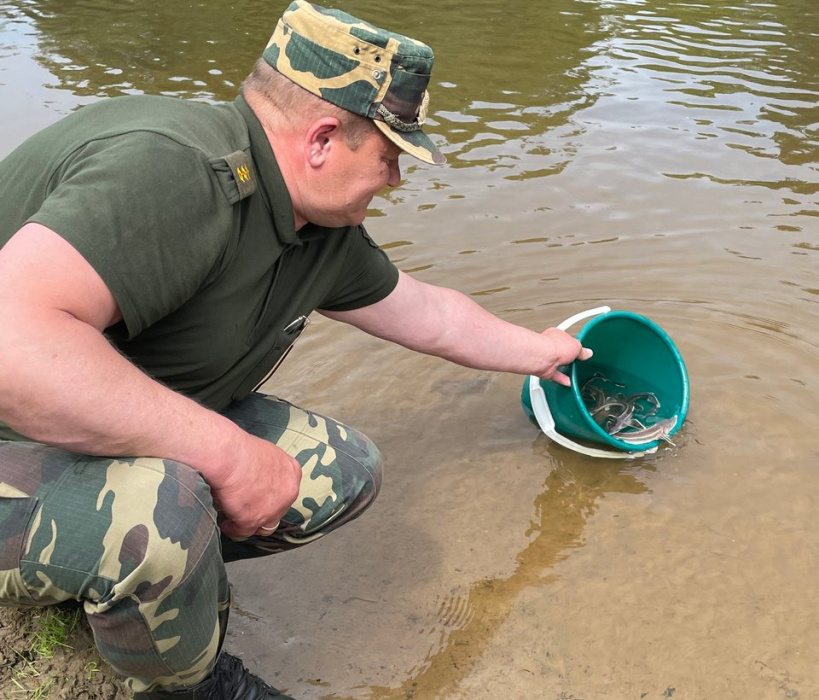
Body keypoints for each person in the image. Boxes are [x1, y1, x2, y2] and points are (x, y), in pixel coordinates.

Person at [0, 2, 591, 698]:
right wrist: (226, 453)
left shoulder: (310, 220)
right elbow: (13, 342)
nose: (396, 180)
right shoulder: (174, 172)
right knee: (168, 508)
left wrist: (543, 351)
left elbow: (426, 312)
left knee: (339, 470)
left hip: (73, 432)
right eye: (388, 156)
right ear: (320, 140)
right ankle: (182, 684)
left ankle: (134, 586)